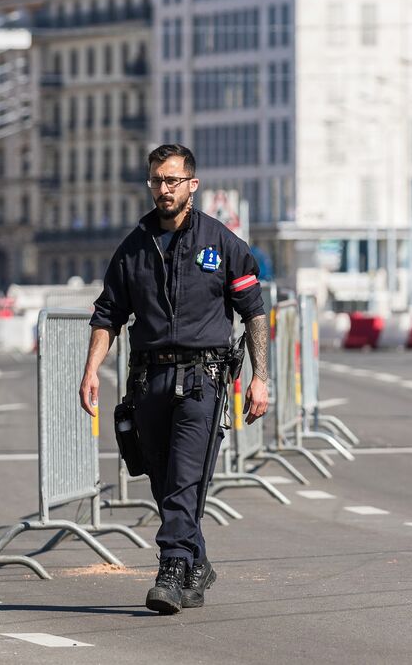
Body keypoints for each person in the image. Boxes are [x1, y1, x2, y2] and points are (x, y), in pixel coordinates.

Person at [78, 145, 269, 614]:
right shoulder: (133, 248)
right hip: (148, 382)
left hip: (203, 380)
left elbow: (254, 312)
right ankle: (196, 564)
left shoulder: (222, 243)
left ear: (192, 185)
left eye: (173, 180)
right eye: (157, 181)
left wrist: (261, 376)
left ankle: (170, 566)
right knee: (163, 482)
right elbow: (107, 315)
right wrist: (90, 371)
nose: (164, 189)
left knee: (185, 479)